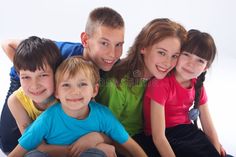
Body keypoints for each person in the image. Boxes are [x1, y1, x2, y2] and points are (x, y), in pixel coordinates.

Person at [0, 6, 125, 154]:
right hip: (26, 89)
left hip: (54, 101)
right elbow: (8, 44)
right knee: (10, 143)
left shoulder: (110, 66)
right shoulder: (62, 53)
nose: (112, 53)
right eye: (104, 43)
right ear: (85, 40)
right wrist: (26, 71)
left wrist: (97, 137)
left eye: (119, 45)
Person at [8, 56, 148, 157]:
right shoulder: (48, 118)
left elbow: (131, 146)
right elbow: (18, 152)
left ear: (94, 90)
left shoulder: (103, 115)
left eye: (82, 84)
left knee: (95, 154)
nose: (75, 91)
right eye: (66, 85)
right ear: (57, 92)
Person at [96, 18, 187, 145]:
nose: (167, 63)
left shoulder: (167, 78)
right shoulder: (115, 85)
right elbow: (105, 131)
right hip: (125, 143)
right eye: (161, 53)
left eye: (174, 56)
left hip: (158, 137)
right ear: (143, 47)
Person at [143, 29, 226, 157]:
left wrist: (215, 148)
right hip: (165, 137)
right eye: (186, 54)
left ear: (206, 68)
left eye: (200, 60)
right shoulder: (161, 84)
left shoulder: (197, 86)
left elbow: (209, 127)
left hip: (188, 133)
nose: (191, 64)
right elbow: (158, 137)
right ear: (177, 54)